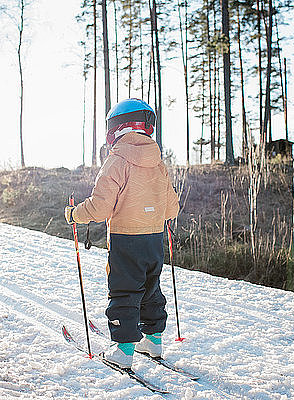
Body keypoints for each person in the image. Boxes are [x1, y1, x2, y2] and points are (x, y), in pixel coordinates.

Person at [64, 98, 179, 369]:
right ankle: (154, 339)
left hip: (126, 239)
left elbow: (100, 207)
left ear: (115, 128)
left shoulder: (117, 161)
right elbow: (172, 207)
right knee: (151, 289)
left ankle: (124, 350)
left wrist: (74, 214)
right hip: (153, 239)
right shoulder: (158, 164)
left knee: (124, 291)